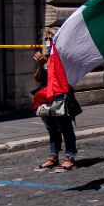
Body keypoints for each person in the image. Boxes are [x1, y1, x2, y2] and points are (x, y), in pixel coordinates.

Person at [32, 29, 82, 173]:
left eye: (51, 37)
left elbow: (67, 77)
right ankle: (53, 156)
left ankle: (70, 157)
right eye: (46, 38)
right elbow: (38, 78)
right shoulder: (47, 57)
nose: (48, 40)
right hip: (46, 97)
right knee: (52, 129)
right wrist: (41, 66)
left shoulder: (65, 57)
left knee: (66, 128)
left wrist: (48, 65)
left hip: (62, 97)